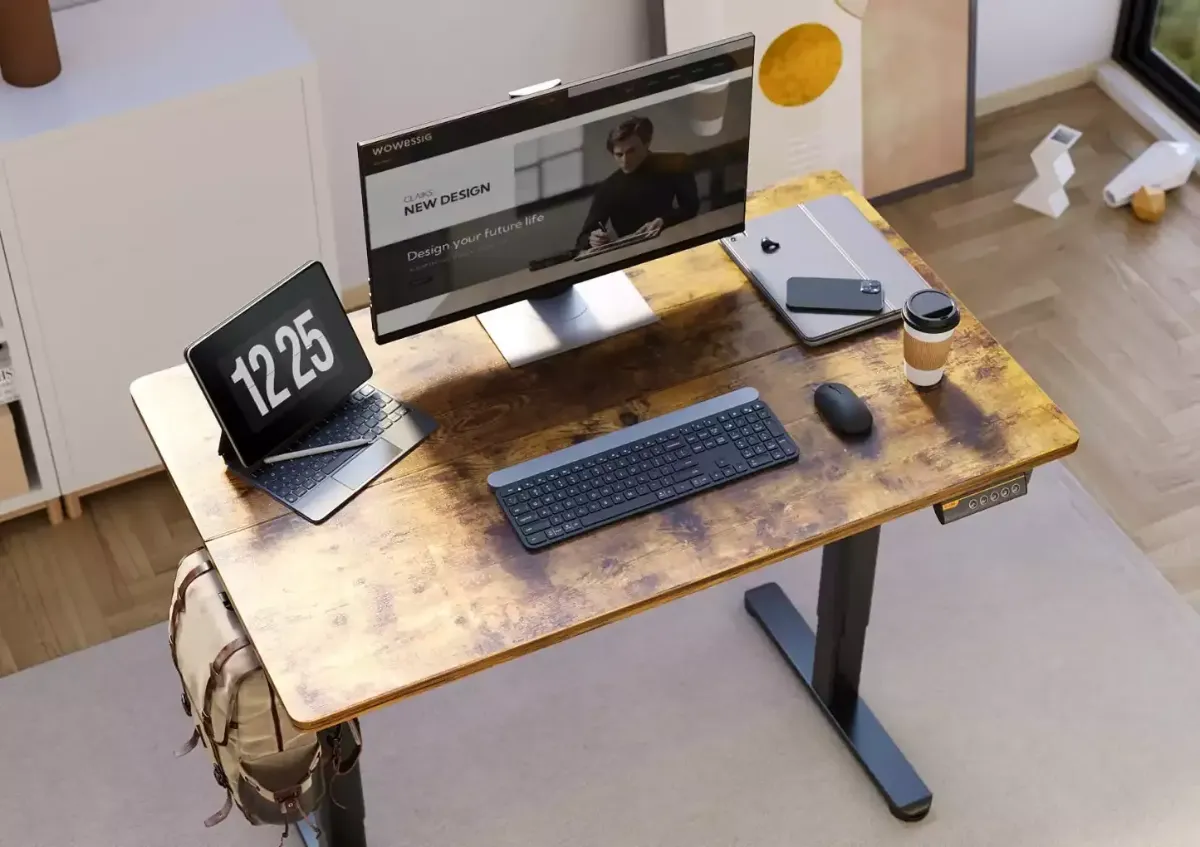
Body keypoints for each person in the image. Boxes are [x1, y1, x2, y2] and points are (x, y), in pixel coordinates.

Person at [575, 116, 699, 253]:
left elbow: (691, 206)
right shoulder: (607, 188)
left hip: (675, 242)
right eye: (619, 154)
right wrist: (593, 239)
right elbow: (582, 240)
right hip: (632, 255)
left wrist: (664, 221)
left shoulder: (676, 163)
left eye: (631, 151)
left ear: (646, 143)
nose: (625, 160)